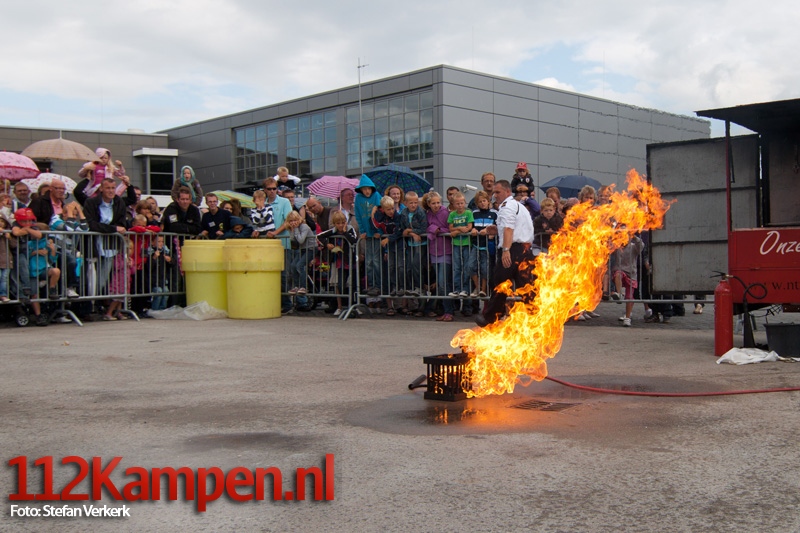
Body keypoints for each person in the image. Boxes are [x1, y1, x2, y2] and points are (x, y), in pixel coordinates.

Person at [475, 179, 535, 328]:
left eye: (498, 192)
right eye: (494, 192)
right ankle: (535, 314)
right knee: (525, 285)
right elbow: (512, 227)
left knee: (500, 281)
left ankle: (491, 317)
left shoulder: (507, 206)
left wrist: (506, 250)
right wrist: (496, 230)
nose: (495, 195)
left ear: (507, 191)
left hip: (514, 249)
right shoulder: (518, 206)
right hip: (525, 249)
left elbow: (509, 229)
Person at [84, 178, 135, 293]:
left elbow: (121, 224)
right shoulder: (91, 202)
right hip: (92, 245)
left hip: (110, 246)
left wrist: (129, 185)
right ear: (101, 188)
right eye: (108, 188)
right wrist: (113, 229)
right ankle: (89, 302)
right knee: (90, 279)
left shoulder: (119, 202)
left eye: (113, 188)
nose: (111, 191)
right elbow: (91, 224)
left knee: (103, 280)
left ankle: (98, 300)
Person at [316, 211, 358, 316]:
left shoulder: (350, 229)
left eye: (343, 223)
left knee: (353, 284)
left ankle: (354, 306)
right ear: (334, 224)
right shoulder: (333, 231)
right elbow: (319, 236)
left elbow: (354, 240)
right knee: (339, 284)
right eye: (338, 223)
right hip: (339, 262)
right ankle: (340, 306)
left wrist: (345, 233)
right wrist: (327, 244)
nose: (340, 225)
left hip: (350, 261)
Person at [424, 191, 455, 322]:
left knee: (443, 282)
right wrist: (433, 229)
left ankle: (449, 311)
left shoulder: (445, 213)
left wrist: (439, 230)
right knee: (440, 283)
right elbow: (426, 227)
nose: (436, 205)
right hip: (434, 251)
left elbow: (451, 229)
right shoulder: (428, 214)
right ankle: (443, 309)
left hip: (445, 250)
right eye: (433, 203)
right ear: (429, 204)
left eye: (438, 202)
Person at [372, 196, 403, 314]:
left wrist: (388, 239)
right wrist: (374, 211)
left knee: (399, 267)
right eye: (388, 209)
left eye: (392, 208)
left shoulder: (398, 216)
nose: (391, 211)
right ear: (383, 210)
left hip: (398, 246)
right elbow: (376, 224)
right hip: (388, 248)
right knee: (390, 269)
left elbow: (399, 231)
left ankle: (398, 288)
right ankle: (391, 298)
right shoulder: (382, 216)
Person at [398, 191, 428, 313]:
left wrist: (412, 232)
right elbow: (402, 228)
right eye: (411, 203)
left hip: (421, 244)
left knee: (417, 265)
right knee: (409, 266)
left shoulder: (421, 212)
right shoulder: (404, 213)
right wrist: (411, 233)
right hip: (410, 244)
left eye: (415, 202)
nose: (414, 205)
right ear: (405, 203)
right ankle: (412, 288)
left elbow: (423, 228)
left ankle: (419, 287)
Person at [354, 175, 383, 296]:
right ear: (361, 189)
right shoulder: (358, 198)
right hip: (367, 235)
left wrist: (379, 231)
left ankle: (378, 285)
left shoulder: (376, 196)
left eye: (369, 188)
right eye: (364, 188)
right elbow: (358, 216)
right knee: (369, 261)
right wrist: (362, 231)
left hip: (376, 234)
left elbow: (380, 214)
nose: (367, 191)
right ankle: (370, 285)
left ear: (372, 188)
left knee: (376, 261)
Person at [610, 231, 644, 327]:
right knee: (618, 274)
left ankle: (627, 318)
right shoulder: (617, 247)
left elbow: (641, 245)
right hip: (620, 272)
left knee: (629, 297)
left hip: (631, 275)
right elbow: (607, 247)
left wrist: (634, 236)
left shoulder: (633, 247)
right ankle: (619, 294)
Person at [468, 190, 497, 300]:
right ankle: (477, 287)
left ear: (488, 201)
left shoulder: (494, 213)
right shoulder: (474, 213)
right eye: (480, 202)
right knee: (471, 266)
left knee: (485, 269)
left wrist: (487, 230)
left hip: (487, 246)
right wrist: (473, 229)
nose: (482, 203)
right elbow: (470, 226)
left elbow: (497, 226)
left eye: (484, 201)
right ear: (477, 203)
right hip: (476, 245)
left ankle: (483, 289)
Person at [447, 192, 473, 299]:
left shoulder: (468, 213)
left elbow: (469, 227)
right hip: (456, 244)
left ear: (465, 202)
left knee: (466, 266)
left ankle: (466, 289)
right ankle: (457, 289)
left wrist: (458, 231)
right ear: (453, 204)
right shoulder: (452, 214)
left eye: (462, 203)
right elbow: (450, 228)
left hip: (466, 243)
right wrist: (459, 229)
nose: (460, 205)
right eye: (457, 203)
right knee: (457, 267)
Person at [103, 236, 134, 321]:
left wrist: (131, 265)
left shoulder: (130, 259)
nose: (129, 251)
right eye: (127, 248)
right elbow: (116, 266)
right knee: (117, 299)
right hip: (117, 282)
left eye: (131, 249)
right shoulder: (118, 257)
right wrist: (124, 263)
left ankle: (118, 312)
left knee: (121, 299)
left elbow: (133, 272)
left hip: (126, 283)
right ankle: (109, 313)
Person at [286, 211, 316, 296]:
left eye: (295, 220)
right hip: (302, 249)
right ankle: (296, 286)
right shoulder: (293, 228)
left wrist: (295, 229)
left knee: (300, 265)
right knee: (293, 265)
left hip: (311, 248)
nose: (293, 223)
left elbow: (300, 240)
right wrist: (292, 231)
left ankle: (304, 286)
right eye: (291, 221)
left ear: (299, 219)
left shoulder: (304, 226)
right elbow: (293, 240)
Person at [146, 234, 172, 311]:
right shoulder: (150, 252)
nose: (161, 243)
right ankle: (155, 310)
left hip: (162, 279)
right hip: (153, 280)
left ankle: (162, 309)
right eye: (158, 241)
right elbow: (148, 267)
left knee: (166, 292)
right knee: (159, 292)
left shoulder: (165, 252)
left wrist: (170, 260)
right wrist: (154, 258)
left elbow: (171, 264)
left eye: (162, 241)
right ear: (152, 242)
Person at [0, 215, 12, 302]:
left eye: (2, 221)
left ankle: (3, 295)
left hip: (7, 260)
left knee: (4, 278)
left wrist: (9, 238)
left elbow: (14, 245)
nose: (1, 223)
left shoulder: (8, 233)